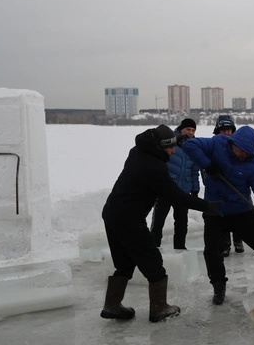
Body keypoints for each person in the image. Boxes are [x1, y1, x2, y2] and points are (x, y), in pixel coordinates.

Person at [100, 124, 221, 323]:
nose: (173, 152)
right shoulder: (154, 168)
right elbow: (177, 196)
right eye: (170, 148)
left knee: (125, 263)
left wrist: (176, 140)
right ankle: (159, 308)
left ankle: (112, 306)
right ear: (159, 147)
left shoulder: (138, 151)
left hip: (112, 214)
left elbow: (161, 145)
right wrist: (207, 206)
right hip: (130, 220)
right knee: (154, 264)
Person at [183, 125, 254, 305]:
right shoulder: (217, 143)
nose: (244, 155)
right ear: (233, 143)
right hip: (214, 210)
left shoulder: (253, 164)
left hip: (242, 211)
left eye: (249, 153)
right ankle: (219, 287)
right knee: (212, 252)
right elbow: (190, 146)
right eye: (242, 151)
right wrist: (208, 165)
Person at [150, 118, 200, 250]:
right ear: (181, 129)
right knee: (158, 222)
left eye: (193, 130)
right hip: (165, 189)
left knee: (182, 222)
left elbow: (195, 171)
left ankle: (180, 248)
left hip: (183, 190)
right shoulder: (169, 141)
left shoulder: (194, 147)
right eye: (188, 129)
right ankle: (153, 247)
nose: (190, 132)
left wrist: (195, 189)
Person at [211, 115, 244, 256]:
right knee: (222, 215)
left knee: (237, 214)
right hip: (218, 186)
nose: (226, 133)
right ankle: (225, 244)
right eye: (223, 130)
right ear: (218, 130)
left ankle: (238, 240)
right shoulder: (212, 145)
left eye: (229, 130)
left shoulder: (238, 145)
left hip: (235, 186)